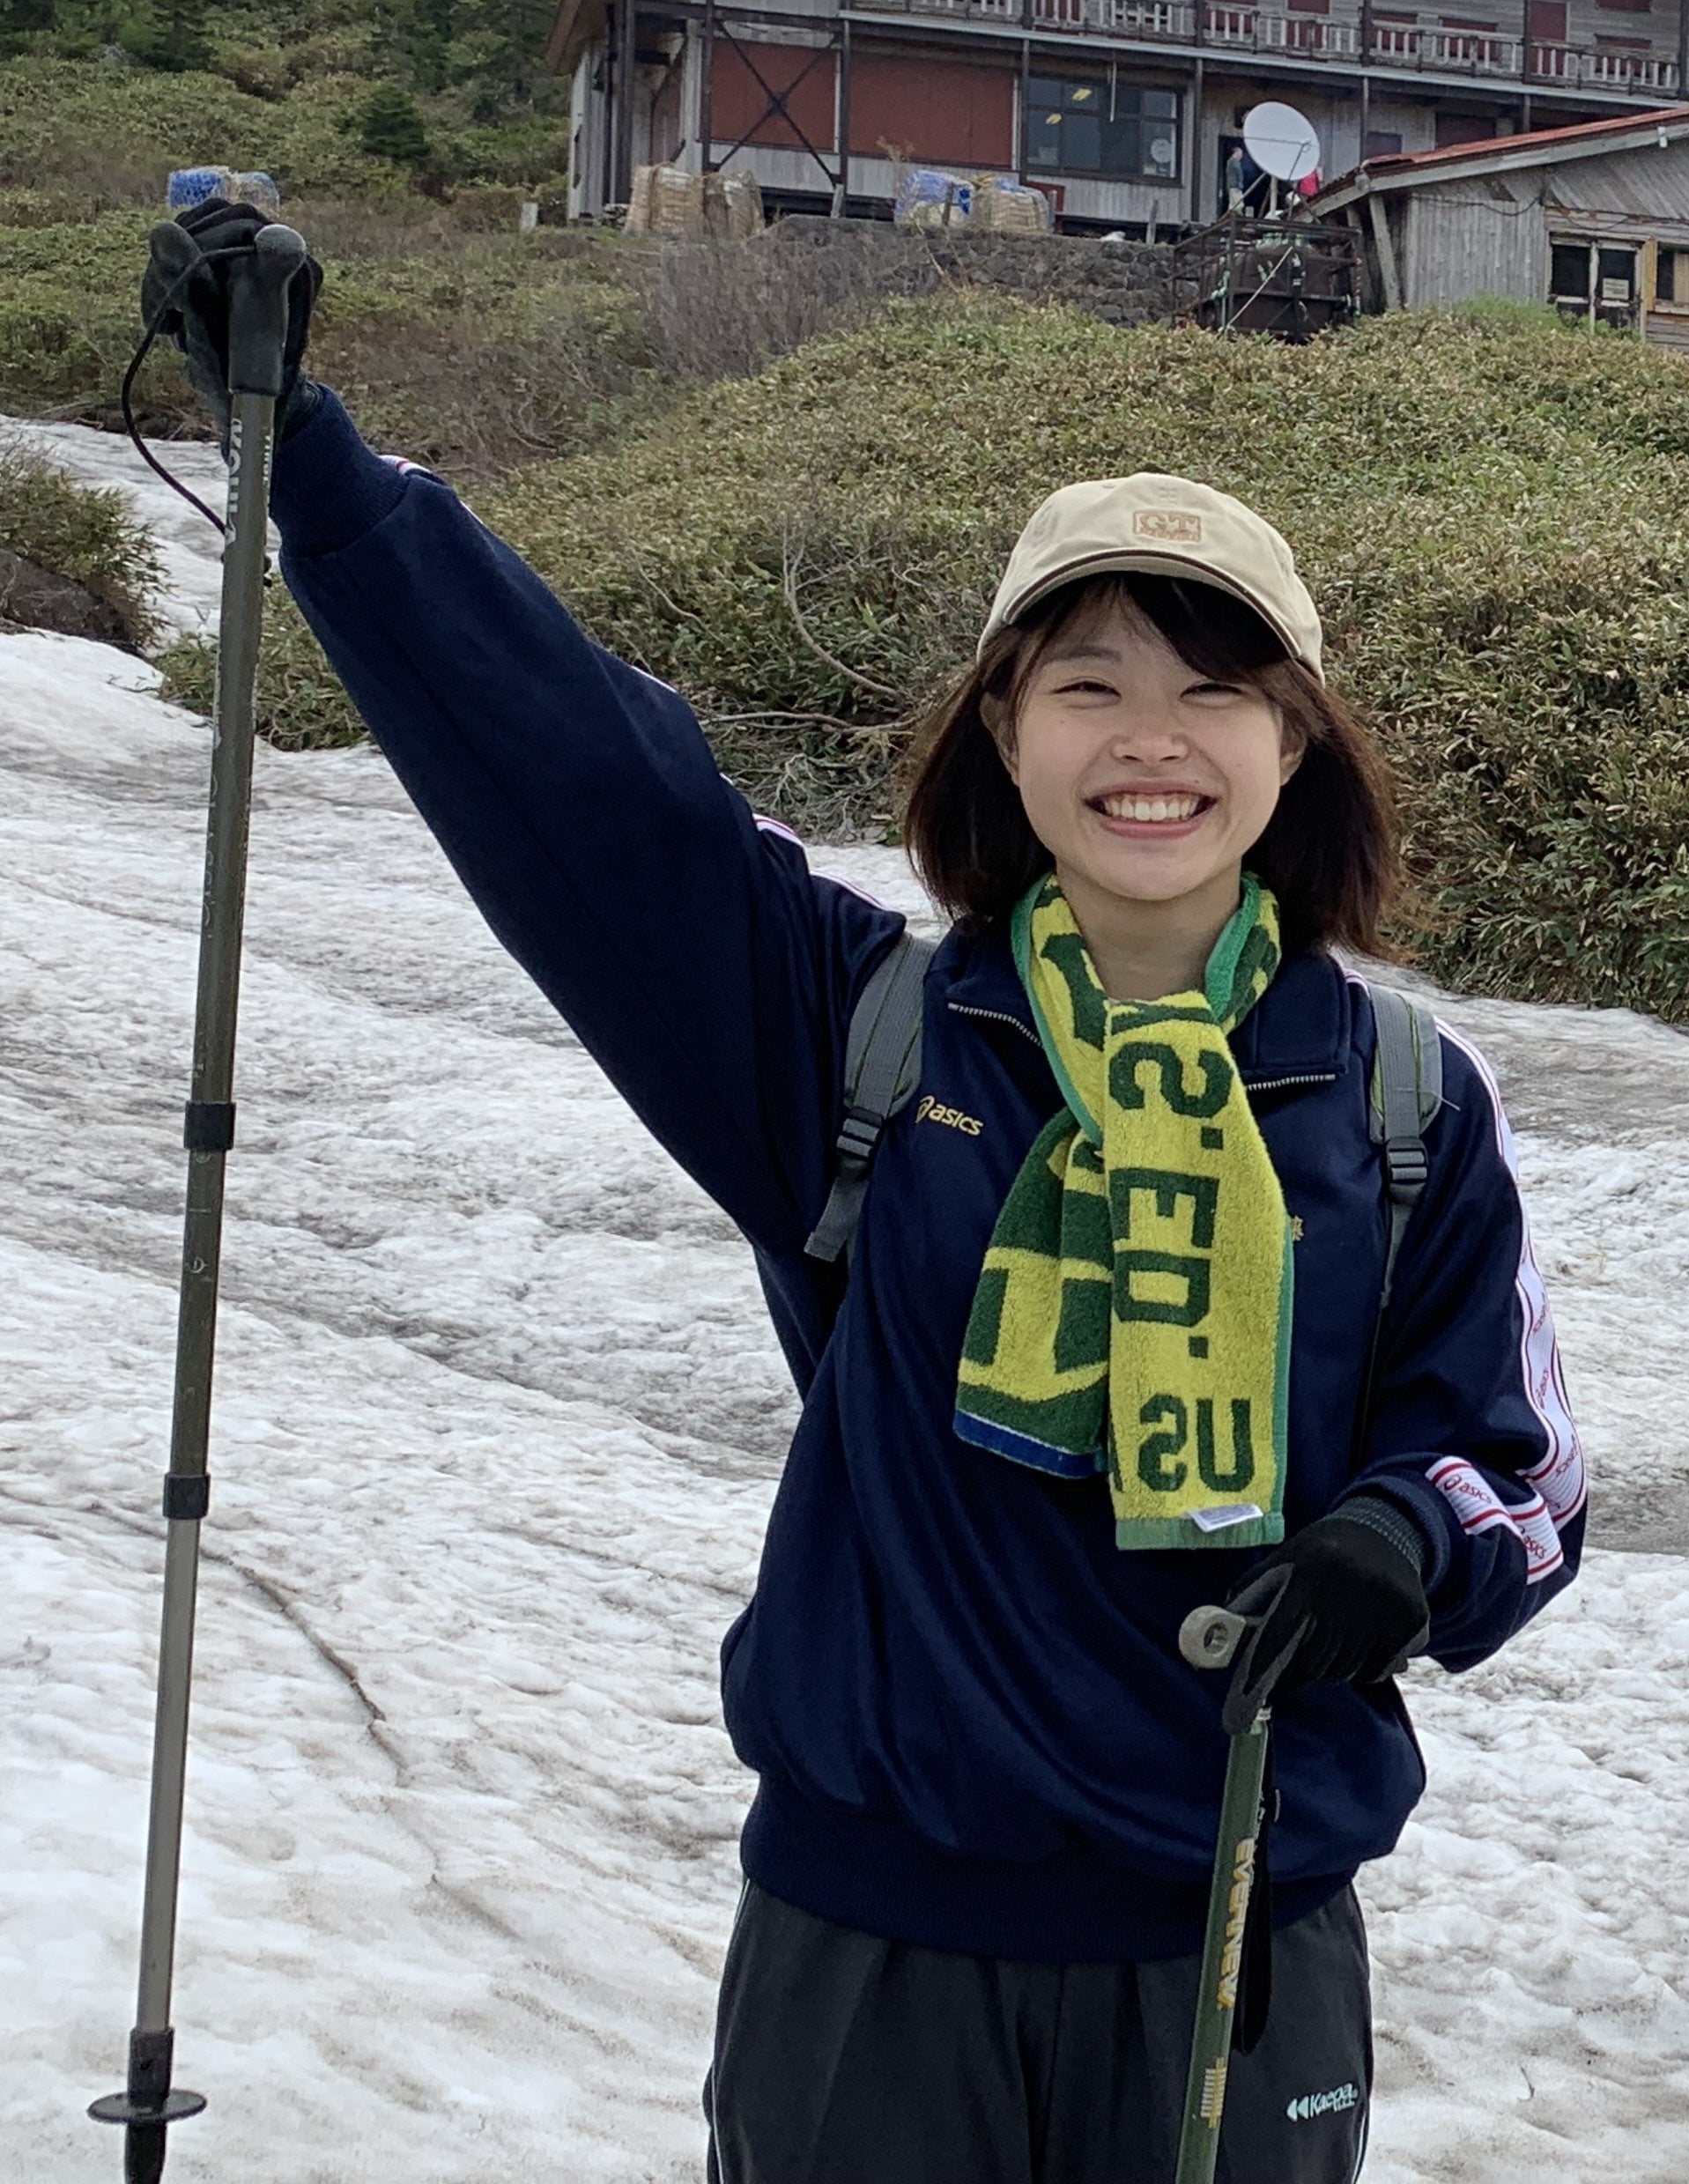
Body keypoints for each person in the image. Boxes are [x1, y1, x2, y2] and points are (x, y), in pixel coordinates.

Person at [145, 204, 1586, 2181]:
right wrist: (308, 455)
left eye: (1216, 692)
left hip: (1237, 1943)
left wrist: (1407, 1537)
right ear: (1004, 727)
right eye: (1087, 684)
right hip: (875, 1946)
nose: (1150, 742)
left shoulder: (1403, 1098)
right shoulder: (860, 1038)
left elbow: (1517, 1460)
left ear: (1292, 746)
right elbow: (588, 787)